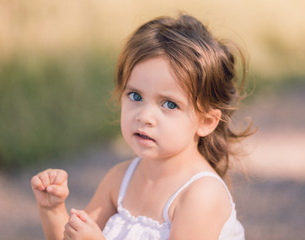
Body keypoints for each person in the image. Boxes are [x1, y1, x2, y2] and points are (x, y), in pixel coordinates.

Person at [31, 13, 253, 240]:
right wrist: (52, 210)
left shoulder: (201, 194)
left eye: (169, 104)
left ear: (205, 122)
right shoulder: (119, 179)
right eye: (135, 96)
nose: (145, 116)